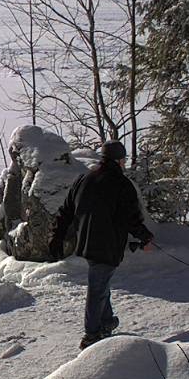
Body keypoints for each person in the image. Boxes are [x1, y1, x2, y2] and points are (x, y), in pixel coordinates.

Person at [48, 140, 156, 350]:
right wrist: (145, 237)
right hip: (108, 245)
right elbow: (131, 218)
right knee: (97, 287)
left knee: (101, 281)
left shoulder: (84, 179)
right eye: (123, 159)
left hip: (87, 242)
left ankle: (106, 322)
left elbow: (65, 211)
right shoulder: (122, 184)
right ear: (118, 160)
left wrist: (56, 238)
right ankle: (91, 335)